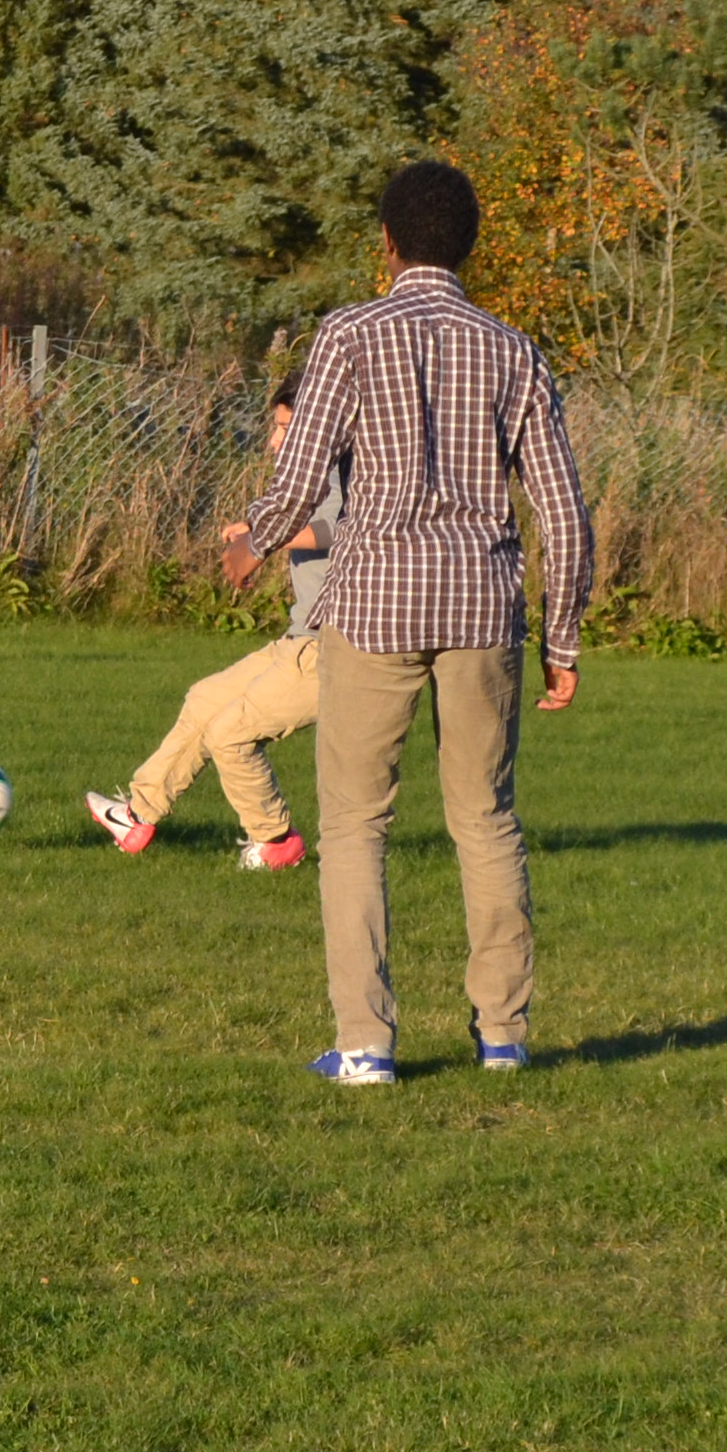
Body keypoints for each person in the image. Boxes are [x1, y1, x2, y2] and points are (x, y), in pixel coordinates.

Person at [225, 159, 596, 1083]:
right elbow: (563, 511)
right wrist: (562, 639)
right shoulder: (514, 350)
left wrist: (254, 540)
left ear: (386, 243)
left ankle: (366, 1046)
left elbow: (302, 473)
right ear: (468, 245)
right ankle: (503, 1037)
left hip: (374, 606)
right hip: (483, 608)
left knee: (355, 825)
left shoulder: (350, 333)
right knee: (487, 820)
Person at [85, 387, 335, 871]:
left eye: (284, 429)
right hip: (299, 640)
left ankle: (276, 842)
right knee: (205, 699)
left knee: (230, 735)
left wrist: (261, 542)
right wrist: (255, 531)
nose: (274, 441)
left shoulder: (349, 470)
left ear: (314, 428)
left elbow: (337, 530)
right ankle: (137, 816)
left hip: (333, 650)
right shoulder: (314, 477)